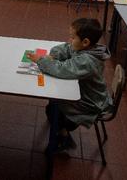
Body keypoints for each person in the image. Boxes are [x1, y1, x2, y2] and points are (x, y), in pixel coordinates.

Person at [28, 18, 112, 153]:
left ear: (85, 42)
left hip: (90, 103)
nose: (69, 40)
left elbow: (63, 70)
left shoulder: (87, 61)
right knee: (53, 104)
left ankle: (64, 136)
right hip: (90, 95)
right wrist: (54, 55)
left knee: (54, 107)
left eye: (72, 37)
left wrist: (41, 60)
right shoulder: (87, 48)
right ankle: (60, 126)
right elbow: (67, 48)